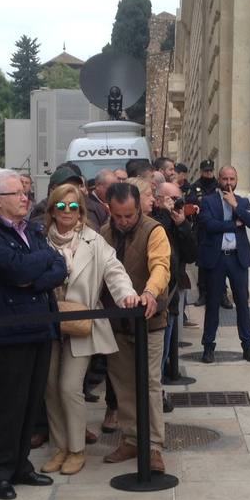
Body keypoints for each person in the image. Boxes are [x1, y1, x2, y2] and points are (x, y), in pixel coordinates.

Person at [0, 168, 66, 500]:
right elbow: (16, 269)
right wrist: (37, 264)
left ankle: (20, 465)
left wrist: (33, 273)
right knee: (7, 404)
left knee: (30, 402)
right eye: (17, 194)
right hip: (8, 330)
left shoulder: (33, 231)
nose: (25, 197)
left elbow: (59, 267)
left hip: (39, 324)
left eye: (25, 192)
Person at [41, 184, 139, 475]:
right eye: (61, 207)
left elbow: (114, 271)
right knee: (50, 388)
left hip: (81, 323)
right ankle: (59, 447)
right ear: (52, 210)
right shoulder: (41, 240)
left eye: (73, 207)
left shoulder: (93, 241)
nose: (67, 212)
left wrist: (127, 296)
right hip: (48, 323)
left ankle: (76, 449)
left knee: (69, 387)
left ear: (81, 211)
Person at [100, 182, 170, 471]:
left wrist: (150, 292)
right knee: (124, 384)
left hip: (150, 323)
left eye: (129, 215)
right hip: (116, 323)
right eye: (118, 216)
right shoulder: (103, 234)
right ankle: (131, 438)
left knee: (150, 383)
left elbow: (161, 266)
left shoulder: (154, 231)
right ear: (110, 211)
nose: (124, 221)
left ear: (138, 207)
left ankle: (153, 445)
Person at [198, 165, 250, 363]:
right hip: (216, 259)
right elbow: (208, 225)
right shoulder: (208, 201)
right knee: (213, 304)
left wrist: (235, 206)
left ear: (237, 179)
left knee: (242, 303)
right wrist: (233, 224)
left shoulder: (243, 201)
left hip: (237, 259)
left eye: (232, 179)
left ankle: (248, 346)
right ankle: (208, 347)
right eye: (225, 179)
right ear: (219, 179)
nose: (229, 183)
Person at [151, 179, 198, 390]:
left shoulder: (177, 222)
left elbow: (191, 254)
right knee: (157, 352)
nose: (176, 203)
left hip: (172, 295)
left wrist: (182, 226)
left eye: (179, 198)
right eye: (172, 199)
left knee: (166, 345)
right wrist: (165, 216)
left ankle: (157, 390)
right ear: (158, 199)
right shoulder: (152, 220)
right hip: (157, 295)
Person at [186, 159, 224, 308]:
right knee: (203, 262)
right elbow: (190, 207)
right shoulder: (194, 187)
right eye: (206, 171)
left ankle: (222, 294)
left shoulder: (219, 186)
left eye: (210, 171)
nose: (208, 173)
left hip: (218, 228)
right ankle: (203, 293)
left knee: (221, 262)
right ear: (201, 171)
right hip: (201, 229)